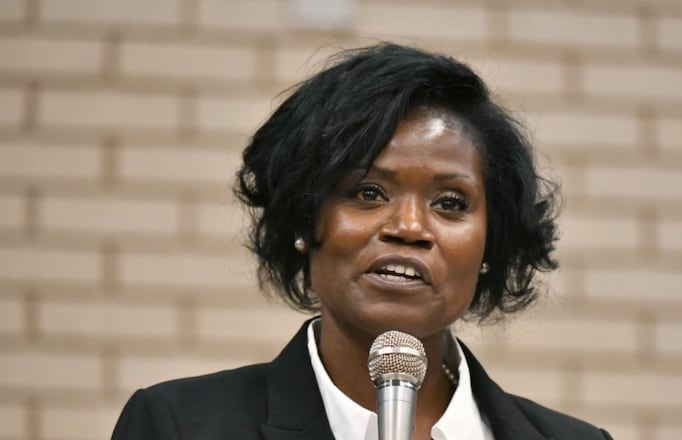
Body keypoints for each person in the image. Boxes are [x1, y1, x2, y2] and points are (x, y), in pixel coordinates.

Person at [112, 43, 613, 440]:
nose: (410, 227)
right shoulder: (179, 427)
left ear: (490, 247)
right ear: (304, 221)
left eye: (451, 203)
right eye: (367, 192)